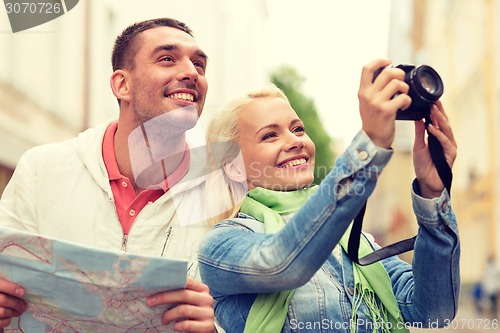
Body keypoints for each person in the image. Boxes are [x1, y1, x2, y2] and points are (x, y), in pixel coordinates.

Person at [198, 59, 460, 332]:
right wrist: (369, 145)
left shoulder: (354, 241)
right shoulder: (221, 244)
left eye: (298, 129)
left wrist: (433, 193)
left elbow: (433, 312)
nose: (296, 141)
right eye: (270, 136)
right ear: (233, 167)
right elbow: (283, 262)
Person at [0, 18, 216, 332]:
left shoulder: (220, 194)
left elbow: (249, 314)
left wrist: (214, 329)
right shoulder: (40, 169)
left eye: (199, 64)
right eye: (167, 58)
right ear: (121, 85)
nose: (191, 72)